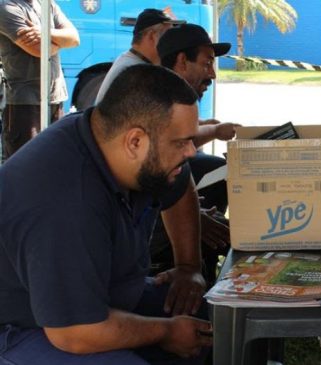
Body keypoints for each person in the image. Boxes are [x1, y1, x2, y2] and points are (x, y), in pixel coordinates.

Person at [0, 65, 213, 364]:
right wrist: (165, 332)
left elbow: (180, 186)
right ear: (135, 142)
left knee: (203, 316)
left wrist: (188, 266)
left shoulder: (116, 141)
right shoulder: (64, 200)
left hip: (99, 295)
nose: (191, 152)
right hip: (23, 326)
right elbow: (74, 333)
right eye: (181, 143)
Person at [156, 23, 238, 282]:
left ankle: (205, 272)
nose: (212, 75)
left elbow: (175, 177)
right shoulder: (155, 105)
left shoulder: (175, 101)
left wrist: (199, 214)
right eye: (206, 64)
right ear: (182, 62)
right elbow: (150, 186)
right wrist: (194, 221)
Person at [0, 0, 79, 161]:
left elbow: (74, 38)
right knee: (25, 167)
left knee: (52, 163)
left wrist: (45, 33)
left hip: (55, 98)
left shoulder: (47, 4)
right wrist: (59, 42)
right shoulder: (7, 8)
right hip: (25, 104)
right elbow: (39, 50)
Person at [94, 8, 183, 104]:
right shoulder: (135, 72)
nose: (172, 42)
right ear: (152, 36)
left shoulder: (130, 61)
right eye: (168, 36)